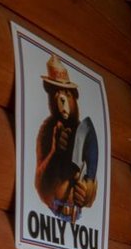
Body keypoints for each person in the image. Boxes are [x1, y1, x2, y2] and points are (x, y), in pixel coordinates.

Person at [34, 54, 99, 221]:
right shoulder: (47, 130)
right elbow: (40, 185)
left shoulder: (83, 132)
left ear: (74, 98)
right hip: (54, 210)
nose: (61, 99)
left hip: (75, 215)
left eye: (67, 95)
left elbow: (91, 179)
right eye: (56, 94)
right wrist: (55, 152)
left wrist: (87, 191)